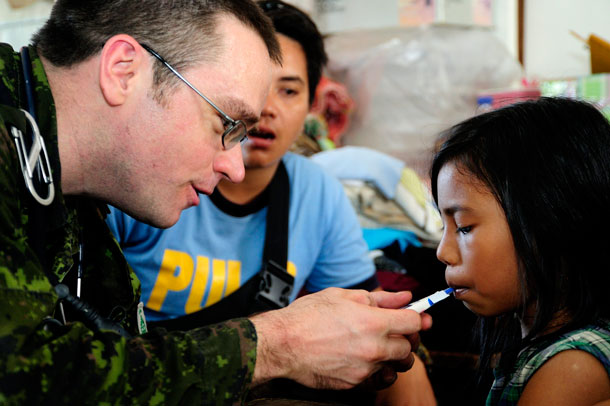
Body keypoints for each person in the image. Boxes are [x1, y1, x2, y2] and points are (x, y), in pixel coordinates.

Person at [0, 0, 429, 404]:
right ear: (123, 70)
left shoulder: (66, 189)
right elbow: (23, 377)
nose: (235, 166)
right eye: (226, 121)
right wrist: (279, 346)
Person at [430, 97, 610, 406]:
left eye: (463, 227)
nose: (443, 253)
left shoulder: (572, 368)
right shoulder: (539, 352)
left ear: (552, 222)